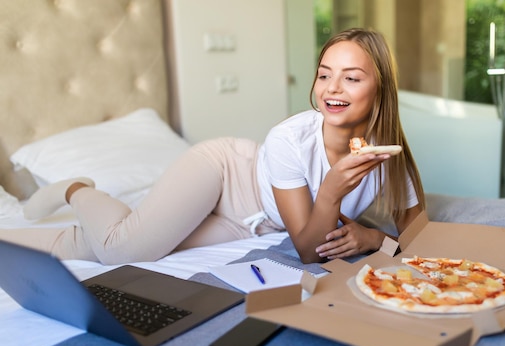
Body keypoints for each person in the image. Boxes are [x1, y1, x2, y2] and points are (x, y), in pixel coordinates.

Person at [0, 28, 425, 265]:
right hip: (225, 176)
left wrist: (373, 238)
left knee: (100, 248)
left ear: (380, 88)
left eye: (351, 77)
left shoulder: (391, 161)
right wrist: (331, 192)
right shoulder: (289, 139)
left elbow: (422, 238)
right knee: (123, 249)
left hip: (256, 221)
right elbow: (308, 251)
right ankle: (77, 189)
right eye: (324, 74)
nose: (332, 88)